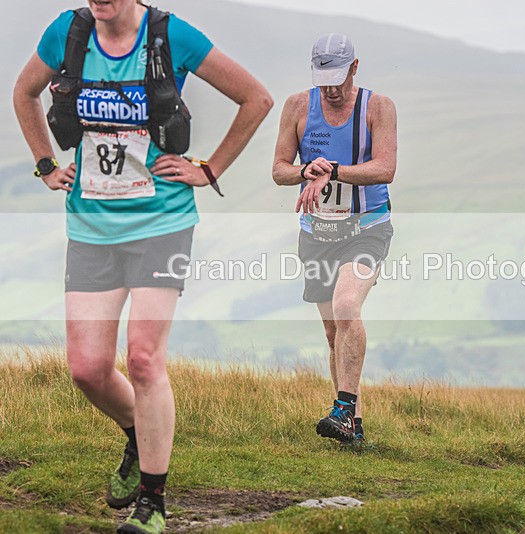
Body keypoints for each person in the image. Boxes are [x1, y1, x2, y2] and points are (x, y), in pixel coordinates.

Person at [13, 1, 272, 531]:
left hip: (162, 223)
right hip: (90, 227)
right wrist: (45, 163)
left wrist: (209, 168)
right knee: (87, 368)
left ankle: (152, 504)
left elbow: (256, 98)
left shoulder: (171, 36)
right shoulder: (68, 32)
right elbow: (24, 92)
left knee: (145, 359)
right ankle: (138, 430)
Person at [272, 33, 396, 446]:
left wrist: (335, 171)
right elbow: (279, 170)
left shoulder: (377, 107)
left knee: (347, 306)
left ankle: (341, 408)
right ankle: (353, 425)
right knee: (332, 334)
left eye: (339, 79)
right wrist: (307, 170)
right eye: (324, 79)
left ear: (355, 68)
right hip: (317, 232)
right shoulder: (296, 106)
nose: (331, 88)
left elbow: (385, 168)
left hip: (367, 227)